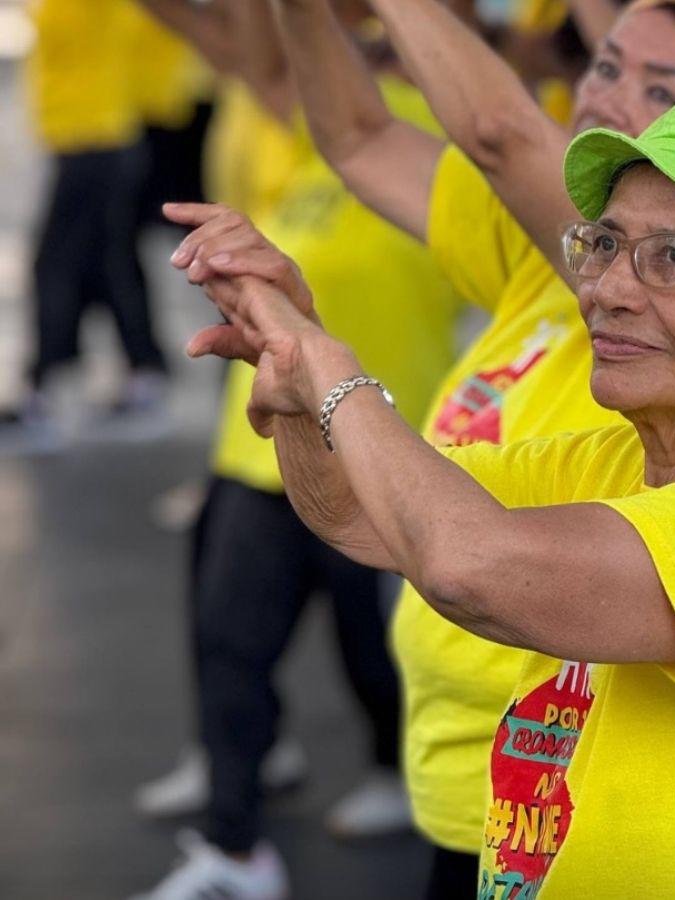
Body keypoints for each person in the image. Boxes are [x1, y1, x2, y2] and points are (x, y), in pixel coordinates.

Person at [175, 88, 675, 898]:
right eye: (603, 244)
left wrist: (328, 364)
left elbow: (466, 566)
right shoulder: (603, 465)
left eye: (671, 257)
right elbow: (360, 513)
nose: (607, 289)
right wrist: (291, 367)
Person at [128, 5, 467, 899]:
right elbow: (251, 52)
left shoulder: (436, 155)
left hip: (388, 450)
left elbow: (499, 121)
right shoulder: (308, 142)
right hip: (263, 447)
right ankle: (234, 845)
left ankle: (398, 770)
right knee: (229, 638)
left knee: (377, 653)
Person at [3, 0, 171, 450]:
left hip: (95, 141)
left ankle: (42, 391)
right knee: (108, 265)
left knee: (55, 266)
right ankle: (144, 373)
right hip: (91, 140)